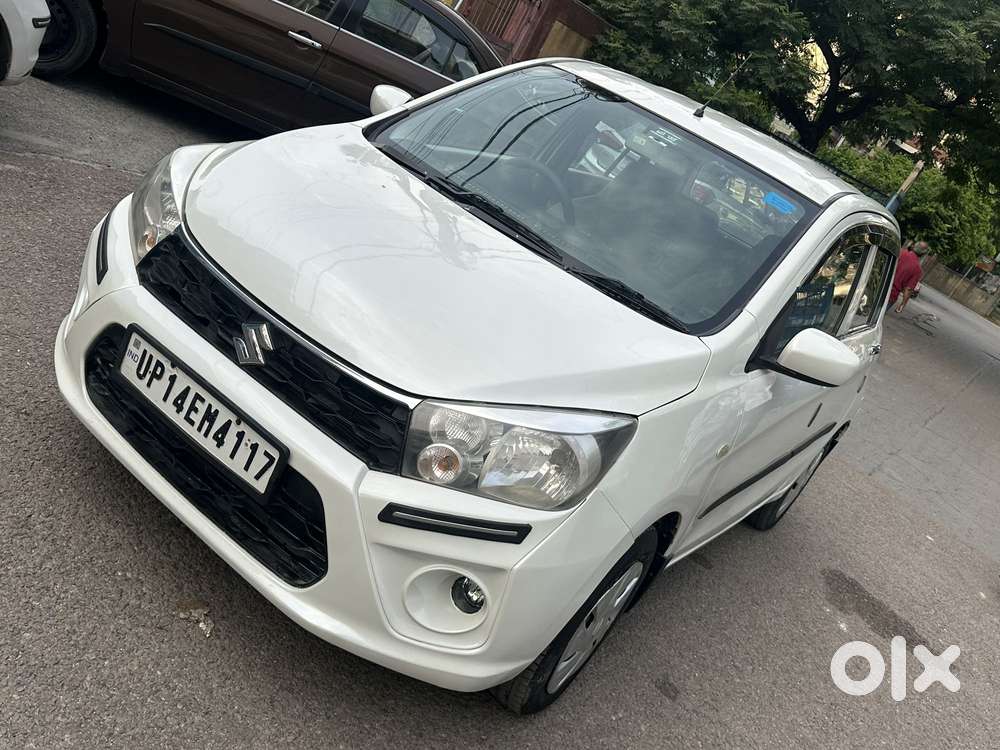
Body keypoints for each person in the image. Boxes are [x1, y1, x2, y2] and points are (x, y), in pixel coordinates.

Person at [888, 240, 927, 314]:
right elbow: (908, 289)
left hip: (877, 287)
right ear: (923, 254)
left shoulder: (899, 252)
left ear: (913, 246)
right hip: (891, 295)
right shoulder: (917, 269)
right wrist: (902, 304)